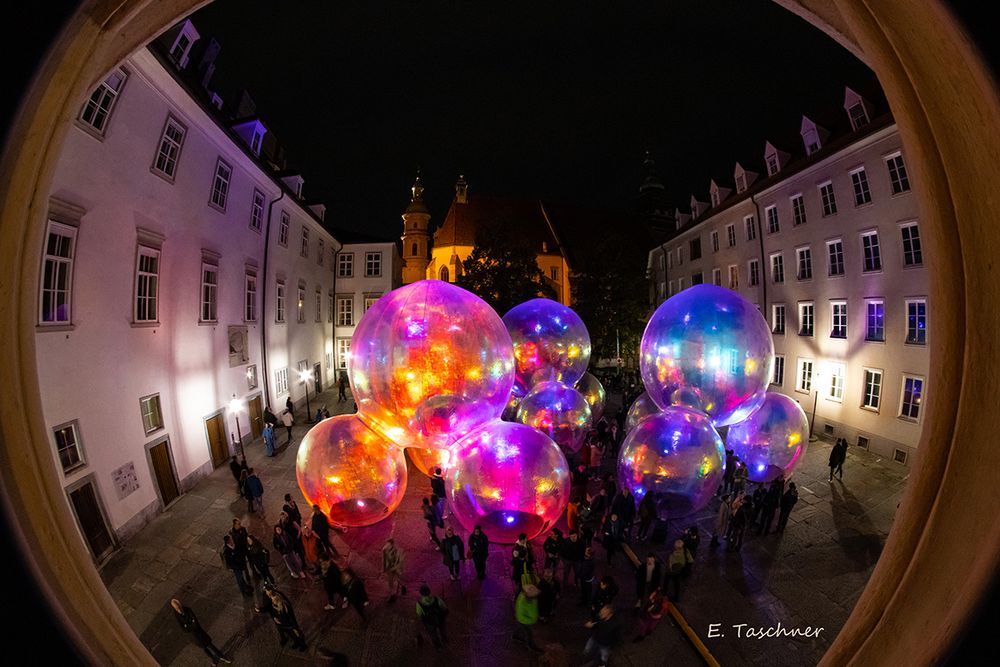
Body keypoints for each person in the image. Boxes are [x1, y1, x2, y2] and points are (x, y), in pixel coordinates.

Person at [171, 598, 231, 665]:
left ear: (180, 605)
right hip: (193, 636)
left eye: (178, 607)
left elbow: (195, 623)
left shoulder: (188, 610)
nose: (178, 609)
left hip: (199, 633)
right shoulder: (176, 615)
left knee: (210, 645)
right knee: (204, 648)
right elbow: (183, 628)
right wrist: (190, 624)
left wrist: (187, 626)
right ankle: (214, 659)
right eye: (176, 608)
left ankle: (221, 656)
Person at [255, 584, 307, 651]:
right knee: (291, 634)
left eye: (274, 601)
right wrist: (275, 618)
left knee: (296, 634)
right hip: (283, 624)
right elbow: (271, 608)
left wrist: (290, 625)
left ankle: (303, 645)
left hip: (289, 624)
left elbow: (289, 617)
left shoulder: (285, 607)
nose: (273, 602)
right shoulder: (274, 602)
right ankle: (296, 642)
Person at [415, 585, 448, 649]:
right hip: (440, 619)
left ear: (421, 593)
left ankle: (438, 646)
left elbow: (419, 614)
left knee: (433, 634)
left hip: (429, 622)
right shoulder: (437, 599)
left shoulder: (419, 604)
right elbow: (444, 608)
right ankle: (444, 639)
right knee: (443, 629)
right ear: (429, 591)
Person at [513, 583, 543, 652]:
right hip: (524, 621)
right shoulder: (523, 602)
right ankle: (530, 645)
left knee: (520, 628)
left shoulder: (530, 599)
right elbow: (521, 615)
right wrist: (531, 620)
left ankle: (516, 636)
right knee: (529, 634)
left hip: (524, 620)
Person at [382, 537, 406, 601]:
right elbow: (384, 559)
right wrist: (384, 568)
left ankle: (403, 587)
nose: (387, 546)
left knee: (399, 578)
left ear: (392, 544)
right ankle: (392, 595)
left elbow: (400, 562)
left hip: (396, 567)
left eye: (389, 545)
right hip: (389, 568)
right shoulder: (384, 550)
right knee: (390, 582)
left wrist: (396, 568)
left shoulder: (397, 551)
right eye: (387, 544)